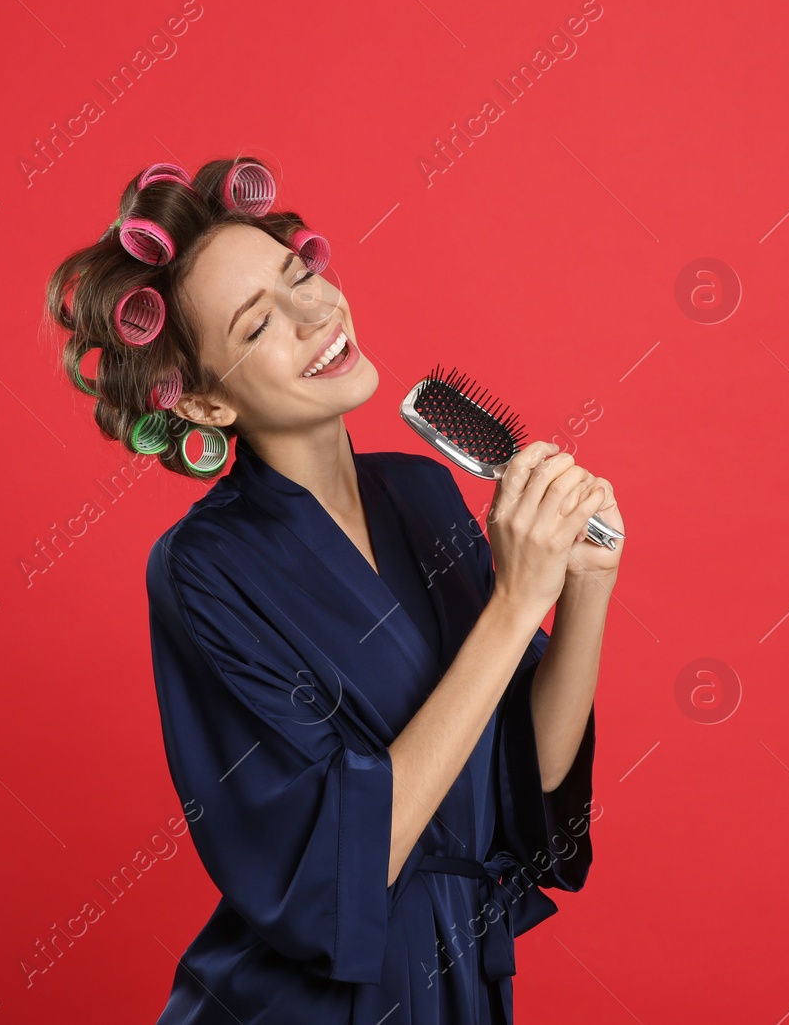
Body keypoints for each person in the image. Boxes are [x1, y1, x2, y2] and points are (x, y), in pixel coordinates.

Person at [42, 155, 624, 1023]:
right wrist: (511, 606)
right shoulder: (205, 568)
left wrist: (583, 588)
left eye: (299, 274)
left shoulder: (421, 495)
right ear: (203, 405)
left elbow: (521, 785)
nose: (317, 311)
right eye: (256, 324)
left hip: (457, 979)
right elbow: (333, 865)